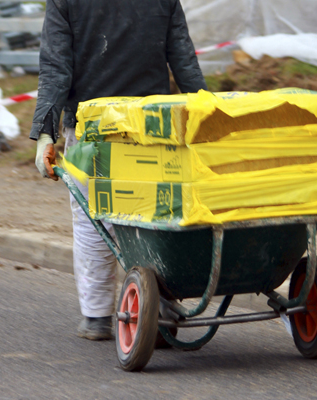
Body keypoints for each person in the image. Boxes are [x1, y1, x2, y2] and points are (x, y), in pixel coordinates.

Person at [31, 0, 207, 340]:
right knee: (157, 215)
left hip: (92, 128)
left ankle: (97, 316)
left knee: (92, 220)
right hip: (152, 127)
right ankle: (159, 309)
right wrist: (207, 114)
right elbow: (184, 61)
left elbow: (55, 68)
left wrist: (45, 135)